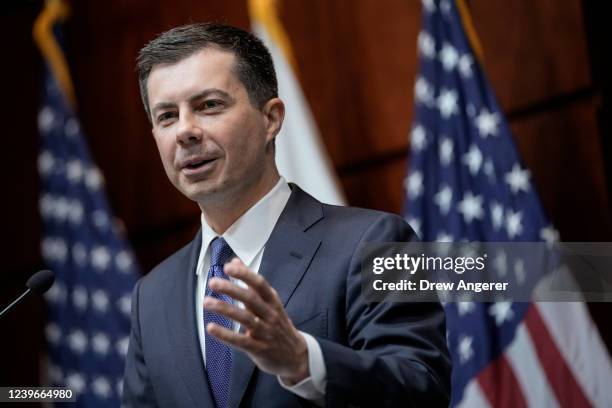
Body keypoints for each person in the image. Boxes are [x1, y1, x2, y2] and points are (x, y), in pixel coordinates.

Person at [123, 22, 451, 408]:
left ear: (271, 119)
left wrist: (304, 361)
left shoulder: (374, 242)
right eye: (166, 116)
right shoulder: (153, 296)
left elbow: (421, 389)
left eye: (208, 105)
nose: (185, 131)